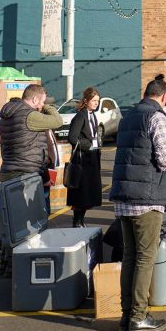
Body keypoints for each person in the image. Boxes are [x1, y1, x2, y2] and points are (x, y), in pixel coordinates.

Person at [110, 74, 166, 331]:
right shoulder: (156, 116)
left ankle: (127, 316)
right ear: (163, 97)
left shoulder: (128, 117)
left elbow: (140, 156)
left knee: (130, 257)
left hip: (124, 195)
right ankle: (138, 317)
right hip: (147, 199)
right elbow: (164, 158)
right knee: (146, 258)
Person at [0, 83, 63, 271]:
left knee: (12, 220)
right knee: (28, 223)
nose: (42, 106)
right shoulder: (30, 115)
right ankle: (18, 264)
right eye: (41, 102)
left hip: (9, 170)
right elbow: (57, 121)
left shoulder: (8, 114)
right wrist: (47, 106)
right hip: (25, 173)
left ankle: (6, 260)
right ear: (34, 100)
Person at [66, 87, 104, 228]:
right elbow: (72, 138)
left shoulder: (92, 115)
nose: (96, 103)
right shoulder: (80, 116)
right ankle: (77, 221)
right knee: (81, 193)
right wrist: (88, 145)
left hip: (91, 160)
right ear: (86, 100)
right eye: (94, 100)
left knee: (88, 193)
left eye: (97, 101)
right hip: (82, 161)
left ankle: (81, 221)